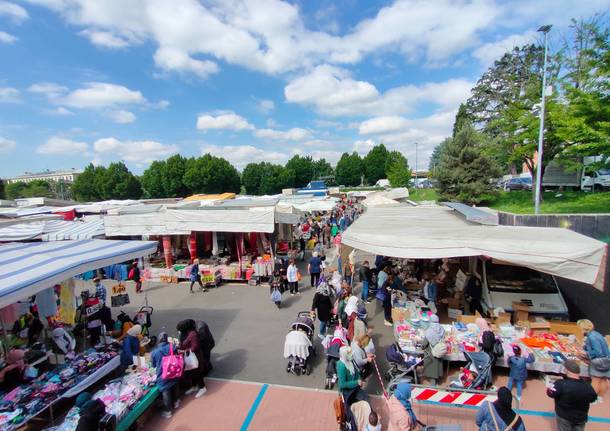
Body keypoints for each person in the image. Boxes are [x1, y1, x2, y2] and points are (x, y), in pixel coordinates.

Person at [547, 359, 597, 431]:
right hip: (581, 418)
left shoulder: (560, 383)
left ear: (567, 370)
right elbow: (593, 398)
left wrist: (550, 387)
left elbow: (550, 393)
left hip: (564, 416)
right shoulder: (587, 386)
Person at [577, 319, 610, 400]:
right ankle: (600, 398)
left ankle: (592, 398)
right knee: (603, 379)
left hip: (598, 361)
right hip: (607, 360)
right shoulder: (596, 334)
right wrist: (585, 347)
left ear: (583, 327)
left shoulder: (591, 337)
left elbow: (598, 352)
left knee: (595, 380)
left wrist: (586, 354)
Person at [151, 332, 181, 419]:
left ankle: (168, 411)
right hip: (173, 370)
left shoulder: (155, 352)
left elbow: (153, 365)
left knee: (165, 390)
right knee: (174, 384)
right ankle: (177, 401)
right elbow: (177, 351)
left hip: (162, 374)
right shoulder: (172, 346)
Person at [177, 319, 207, 398]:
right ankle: (194, 386)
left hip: (195, 357)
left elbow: (195, 347)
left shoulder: (193, 334)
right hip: (190, 357)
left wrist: (183, 351)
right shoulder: (187, 333)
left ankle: (202, 388)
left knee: (197, 373)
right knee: (192, 373)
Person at [422, 314, 444, 386]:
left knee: (432, 368)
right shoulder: (441, 329)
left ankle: (433, 383)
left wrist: (422, 347)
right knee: (438, 366)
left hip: (430, 352)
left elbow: (425, 343)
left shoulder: (429, 331)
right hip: (439, 350)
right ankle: (438, 378)